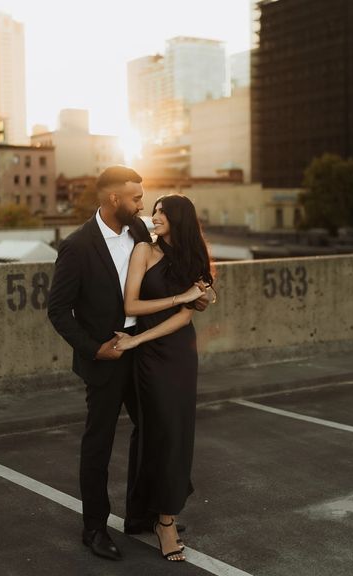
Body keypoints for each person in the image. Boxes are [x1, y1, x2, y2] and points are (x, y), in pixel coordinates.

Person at [47, 166, 207, 562]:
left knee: (154, 433)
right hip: (106, 356)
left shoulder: (139, 232)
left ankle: (141, 516)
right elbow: (57, 310)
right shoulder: (77, 246)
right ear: (113, 198)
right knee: (98, 444)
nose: (142, 204)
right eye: (136, 198)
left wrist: (196, 296)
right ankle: (94, 528)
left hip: (148, 352)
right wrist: (93, 348)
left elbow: (169, 272)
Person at [114, 193, 214, 562]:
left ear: (179, 218)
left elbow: (187, 316)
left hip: (179, 355)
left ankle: (159, 515)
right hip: (151, 359)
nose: (153, 216)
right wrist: (181, 297)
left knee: (178, 433)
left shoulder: (189, 259)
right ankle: (161, 519)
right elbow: (131, 306)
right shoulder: (144, 251)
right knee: (160, 433)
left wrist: (196, 296)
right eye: (153, 210)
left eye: (161, 212)